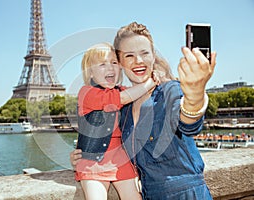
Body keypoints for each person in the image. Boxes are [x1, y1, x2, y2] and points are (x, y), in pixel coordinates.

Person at [71, 22, 217, 199]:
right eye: (129, 55)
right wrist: (83, 154)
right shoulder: (123, 109)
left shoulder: (169, 90)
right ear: (121, 63)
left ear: (153, 56)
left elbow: (189, 124)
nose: (138, 61)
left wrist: (195, 95)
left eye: (144, 53)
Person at [75, 42, 159, 200]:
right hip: (92, 162)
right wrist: (150, 83)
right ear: (90, 73)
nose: (110, 68)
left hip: (120, 160)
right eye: (102, 64)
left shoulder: (124, 90)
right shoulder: (87, 93)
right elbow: (122, 99)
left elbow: (141, 96)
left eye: (114, 62)